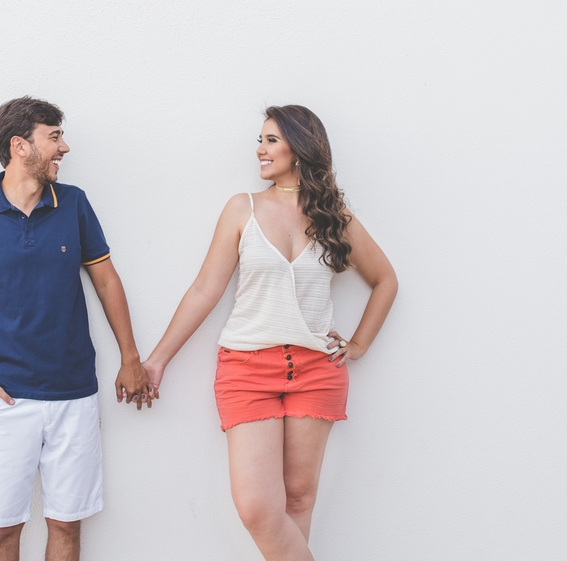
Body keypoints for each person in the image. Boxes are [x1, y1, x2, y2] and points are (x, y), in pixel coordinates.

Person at [142, 105, 398, 561]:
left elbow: (386, 280)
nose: (260, 150)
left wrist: (357, 345)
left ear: (300, 148)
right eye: (259, 141)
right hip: (246, 368)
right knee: (258, 509)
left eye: (271, 140)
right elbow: (205, 289)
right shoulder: (243, 208)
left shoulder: (333, 215)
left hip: (317, 370)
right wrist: (158, 359)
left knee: (298, 499)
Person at [0, 96, 152, 561]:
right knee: (1, 533)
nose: (65, 147)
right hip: (6, 398)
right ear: (20, 145)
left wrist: (131, 358)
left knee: (67, 527)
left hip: (74, 394)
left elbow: (106, 280)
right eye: (54, 137)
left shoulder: (73, 203)